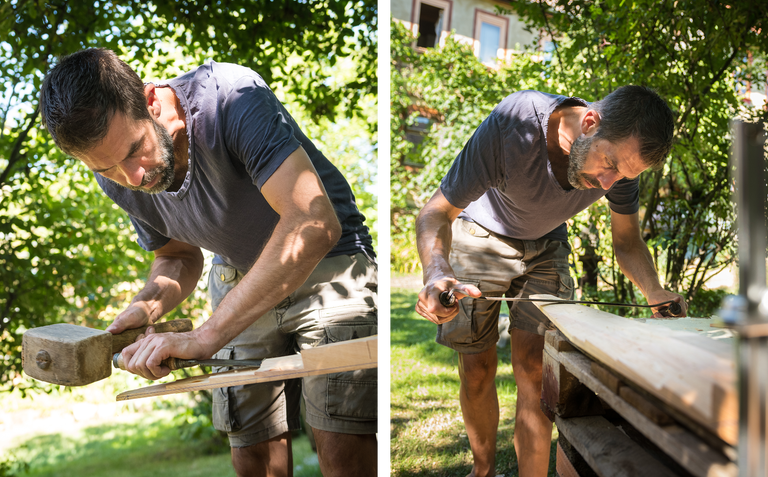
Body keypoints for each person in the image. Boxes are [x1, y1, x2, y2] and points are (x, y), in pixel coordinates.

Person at [39, 48, 379, 477]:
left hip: (332, 265)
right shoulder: (118, 174)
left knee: (342, 450)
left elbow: (313, 223)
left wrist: (206, 337)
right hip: (238, 278)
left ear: (151, 102)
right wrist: (147, 307)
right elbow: (177, 255)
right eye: (107, 169)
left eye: (134, 151)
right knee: (252, 453)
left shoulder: (231, 98)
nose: (133, 178)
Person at [414, 86, 687, 477]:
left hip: (547, 243)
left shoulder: (620, 162)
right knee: (477, 369)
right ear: (589, 123)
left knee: (535, 371)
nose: (610, 184)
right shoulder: (515, 124)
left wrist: (654, 291)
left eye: (623, 176)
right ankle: (484, 469)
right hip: (483, 233)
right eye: (609, 165)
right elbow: (435, 214)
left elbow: (627, 243)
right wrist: (437, 272)